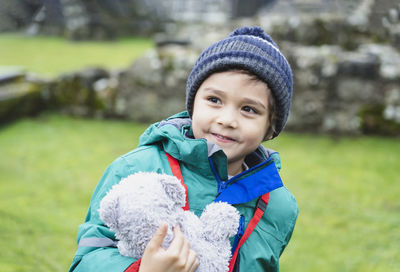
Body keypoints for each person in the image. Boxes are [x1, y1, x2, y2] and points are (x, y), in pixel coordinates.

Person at [69, 26, 298, 272]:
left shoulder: (279, 205)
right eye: (214, 100)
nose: (227, 119)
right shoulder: (134, 170)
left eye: (249, 109)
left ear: (270, 128)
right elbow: (87, 259)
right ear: (193, 103)